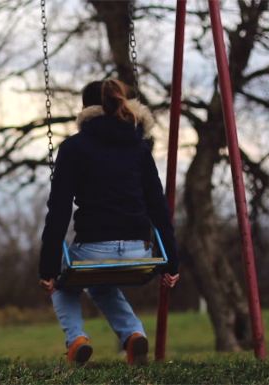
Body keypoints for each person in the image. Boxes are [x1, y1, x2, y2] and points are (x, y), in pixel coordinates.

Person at [38, 79, 180, 365]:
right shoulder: (139, 147)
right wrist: (172, 261)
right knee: (99, 283)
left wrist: (48, 266)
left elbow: (59, 209)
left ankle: (76, 339)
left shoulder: (74, 148)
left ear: (85, 110)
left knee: (64, 283)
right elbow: (158, 206)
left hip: (93, 248)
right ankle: (133, 336)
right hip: (139, 250)